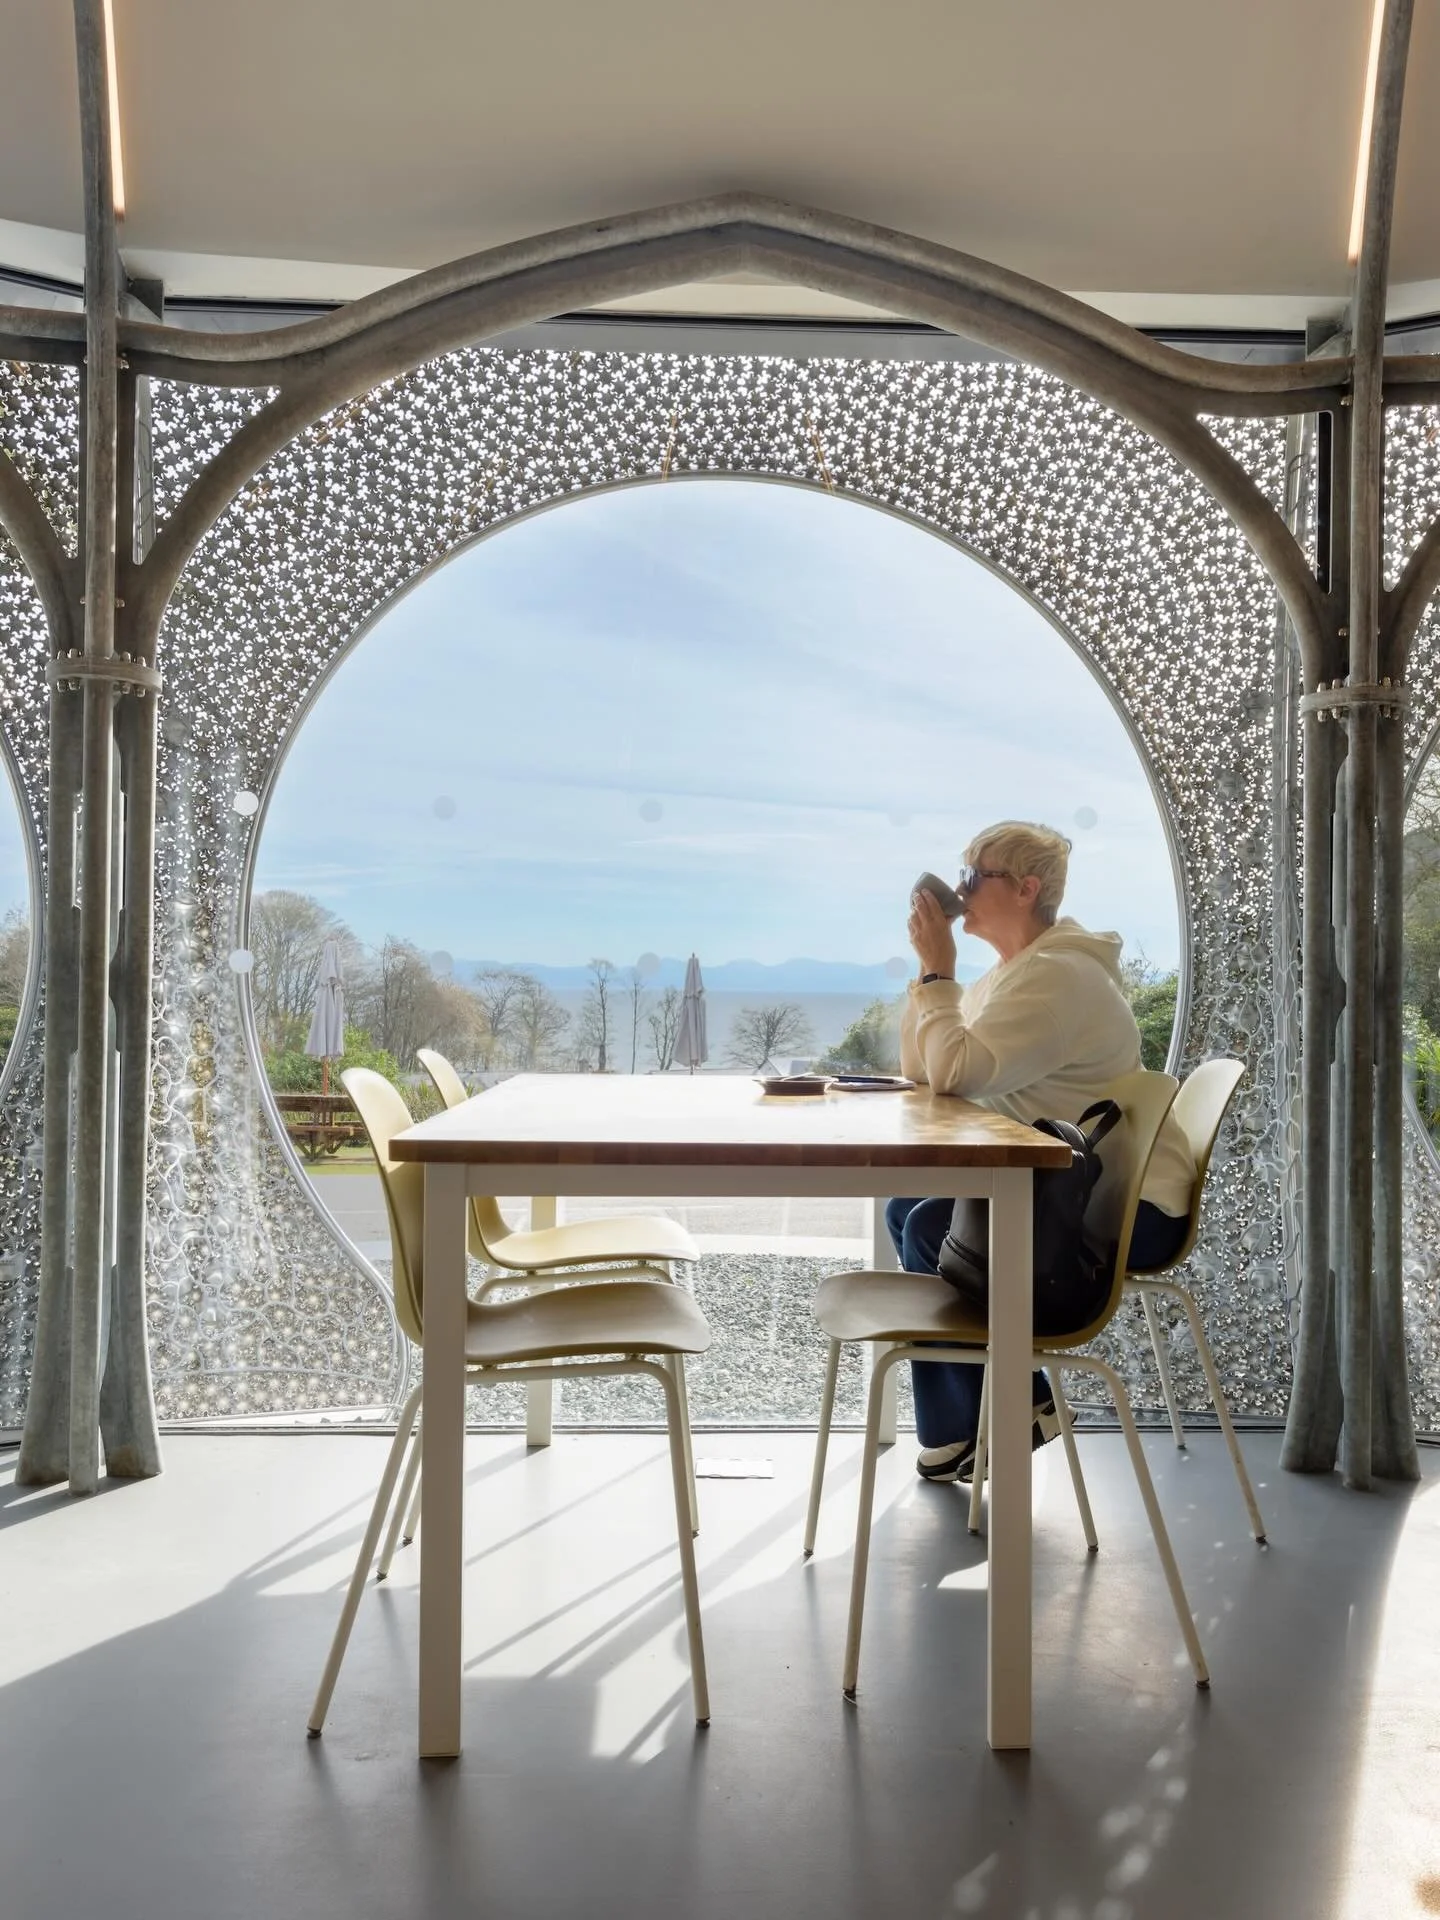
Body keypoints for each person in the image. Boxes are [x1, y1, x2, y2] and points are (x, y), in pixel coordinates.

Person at [890, 820, 1196, 1483]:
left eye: (976, 875)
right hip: (1068, 1189)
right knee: (909, 1205)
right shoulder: (1012, 975)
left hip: (1120, 1209)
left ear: (1026, 889)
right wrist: (929, 974)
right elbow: (922, 1068)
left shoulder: (1058, 978)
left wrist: (941, 969)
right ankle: (1015, 1401)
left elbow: (956, 1074)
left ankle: (991, 1417)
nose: (960, 887)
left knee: (927, 1222)